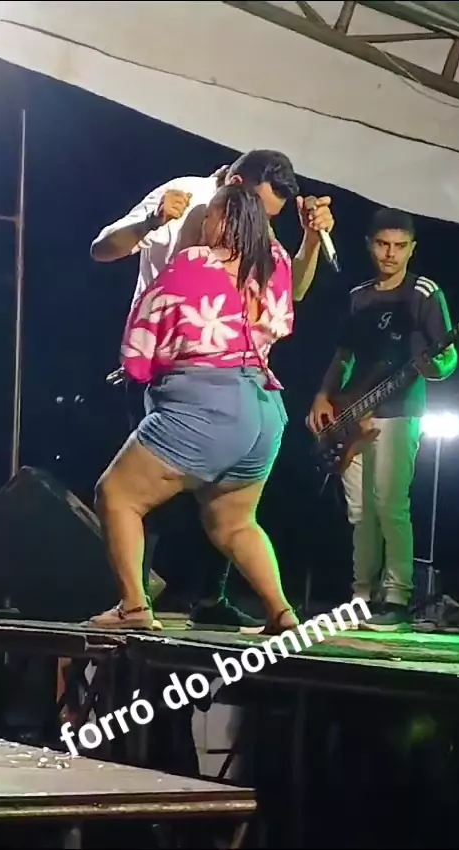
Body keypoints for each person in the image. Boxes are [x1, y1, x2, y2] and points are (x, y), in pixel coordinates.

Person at [91, 149, 334, 631]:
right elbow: (286, 305)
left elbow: (141, 340)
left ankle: (135, 608)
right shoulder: (263, 253)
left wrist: (139, 368)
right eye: (259, 212)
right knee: (233, 520)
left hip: (199, 398)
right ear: (238, 189)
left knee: (118, 495)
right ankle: (282, 612)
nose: (262, 225)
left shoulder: (191, 264)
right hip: (263, 407)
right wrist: (152, 223)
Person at [308, 208, 458, 632]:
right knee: (360, 509)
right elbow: (344, 355)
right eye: (382, 245)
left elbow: (446, 356)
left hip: (401, 409)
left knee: (391, 504)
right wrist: (323, 396)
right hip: (353, 410)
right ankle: (361, 596)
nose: (390, 254)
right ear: (369, 245)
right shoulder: (359, 296)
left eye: (399, 246)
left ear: (412, 248)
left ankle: (396, 597)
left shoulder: (424, 293)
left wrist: (438, 367)